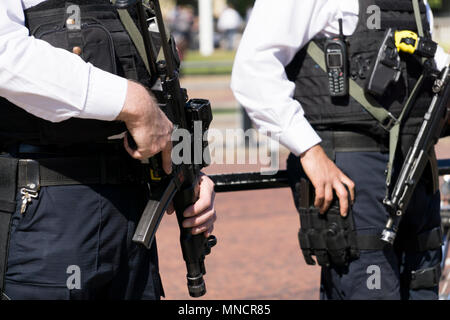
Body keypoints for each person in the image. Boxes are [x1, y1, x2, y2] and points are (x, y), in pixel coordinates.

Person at [232, 0, 449, 300]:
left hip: (416, 167)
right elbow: (252, 70)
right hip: (350, 169)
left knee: (423, 287)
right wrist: (309, 150)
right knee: (369, 289)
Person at [0, 0, 217, 300]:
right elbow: (5, 54)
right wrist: (132, 103)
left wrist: (191, 173)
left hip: (131, 218)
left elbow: (164, 89)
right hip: (48, 210)